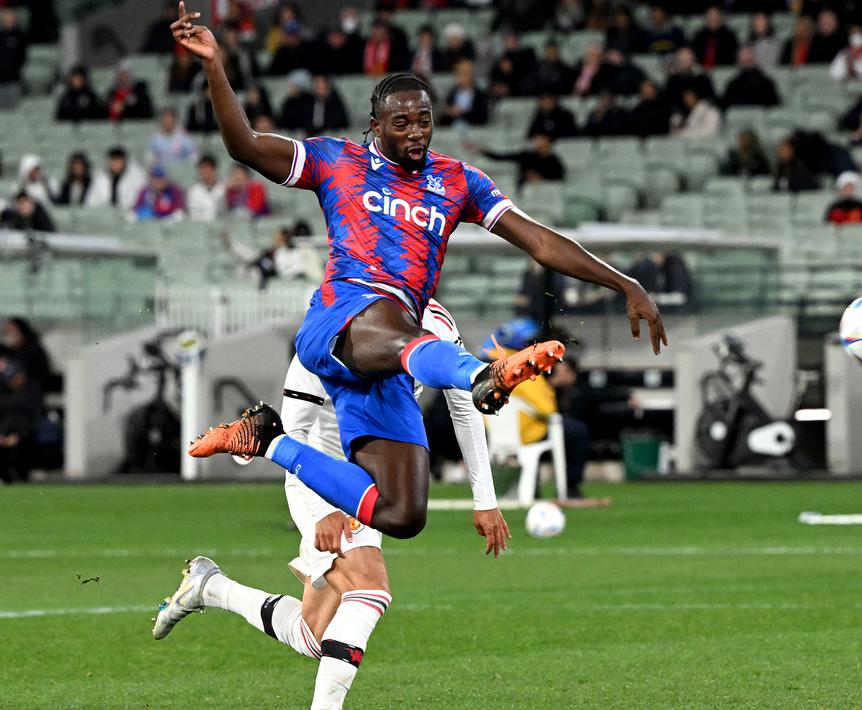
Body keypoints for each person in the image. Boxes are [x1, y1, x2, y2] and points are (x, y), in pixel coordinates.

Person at [170, 3, 664, 543]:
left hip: (388, 355)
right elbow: (243, 145)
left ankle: (267, 438)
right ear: (375, 125)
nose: (415, 133)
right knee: (404, 324)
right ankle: (481, 375)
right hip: (341, 320)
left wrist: (626, 282)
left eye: (424, 120)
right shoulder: (337, 162)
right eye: (400, 122)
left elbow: (541, 241)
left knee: (403, 514)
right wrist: (215, 66)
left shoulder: (458, 181)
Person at [154, 298, 501, 710]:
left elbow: (463, 405)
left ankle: (210, 588)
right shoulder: (328, 329)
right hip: (322, 475)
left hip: (380, 471)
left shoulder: (436, 323)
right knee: (370, 589)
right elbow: (288, 436)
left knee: (314, 635)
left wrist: (485, 499)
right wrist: (323, 509)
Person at [483, 319, 589, 499]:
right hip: (527, 432)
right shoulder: (520, 365)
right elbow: (547, 409)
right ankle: (570, 487)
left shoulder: (487, 366)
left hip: (495, 433)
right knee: (576, 431)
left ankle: (532, 489)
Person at [0, 357, 41, 484]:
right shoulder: (5, 391)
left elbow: (34, 419)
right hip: (5, 433)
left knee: (20, 452)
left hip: (24, 436)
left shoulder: (32, 391)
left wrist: (18, 436)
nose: (12, 382)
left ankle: (20, 479)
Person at [478, 133, 566, 188]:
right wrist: (482, 151)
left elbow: (560, 177)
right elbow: (500, 157)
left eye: (540, 138)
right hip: (523, 189)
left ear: (548, 141)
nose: (536, 141)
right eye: (535, 139)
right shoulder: (526, 155)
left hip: (545, 191)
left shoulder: (554, 160)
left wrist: (541, 178)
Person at [2, 317, 52, 392]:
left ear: (21, 331)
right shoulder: (8, 352)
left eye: (10, 331)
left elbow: (28, 379)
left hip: (28, 395)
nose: (7, 334)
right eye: (6, 332)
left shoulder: (33, 351)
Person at [438, 59, 489, 127]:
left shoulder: (480, 94)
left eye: (463, 74)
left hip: (473, 130)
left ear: (471, 75)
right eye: (458, 73)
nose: (459, 77)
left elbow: (482, 118)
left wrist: (462, 113)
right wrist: (449, 112)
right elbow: (443, 119)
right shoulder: (452, 92)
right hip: (452, 130)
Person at [0, 7, 28, 109]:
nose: (9, 21)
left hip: (14, 80)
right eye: (6, 19)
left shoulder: (20, 36)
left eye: (11, 18)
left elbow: (23, 56)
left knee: (14, 110)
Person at [187, 154, 226, 220]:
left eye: (207, 168)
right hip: (201, 226)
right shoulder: (194, 191)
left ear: (214, 169)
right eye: (202, 168)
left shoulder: (224, 187)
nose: (204, 171)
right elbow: (193, 214)